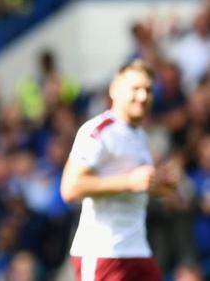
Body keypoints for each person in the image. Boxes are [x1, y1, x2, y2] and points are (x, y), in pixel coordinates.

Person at [60, 61, 178, 280]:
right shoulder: (97, 131)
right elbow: (70, 187)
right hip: (104, 252)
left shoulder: (140, 136)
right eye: (136, 89)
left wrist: (163, 186)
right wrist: (129, 182)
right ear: (115, 90)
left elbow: (137, 186)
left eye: (148, 90)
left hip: (138, 250)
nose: (143, 96)